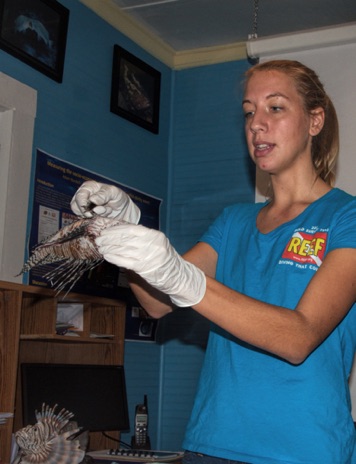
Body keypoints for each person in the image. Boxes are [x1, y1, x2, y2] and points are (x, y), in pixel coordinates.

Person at [71, 60, 356, 463]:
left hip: (304, 449)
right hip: (212, 443)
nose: (256, 124)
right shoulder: (233, 221)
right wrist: (124, 231)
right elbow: (156, 303)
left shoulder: (346, 217)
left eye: (275, 108)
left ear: (315, 120)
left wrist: (185, 279)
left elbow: (298, 338)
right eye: (248, 112)